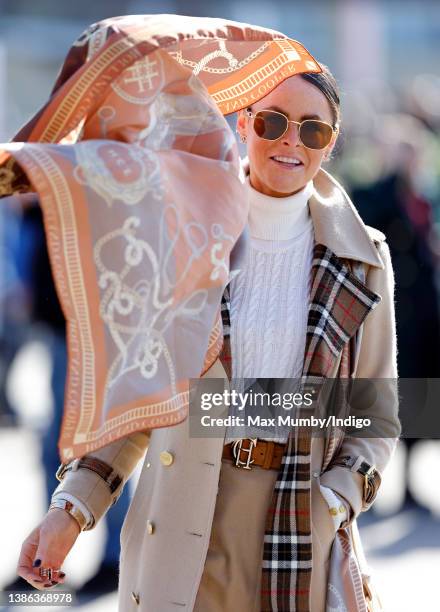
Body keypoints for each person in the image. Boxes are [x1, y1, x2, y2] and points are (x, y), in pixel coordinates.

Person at [16, 62, 400, 611]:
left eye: (312, 129)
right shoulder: (184, 235)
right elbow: (138, 397)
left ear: (330, 142)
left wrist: (333, 502)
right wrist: (71, 509)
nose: (291, 141)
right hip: (179, 511)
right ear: (244, 124)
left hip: (297, 525)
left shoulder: (364, 259)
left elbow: (374, 412)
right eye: (272, 122)